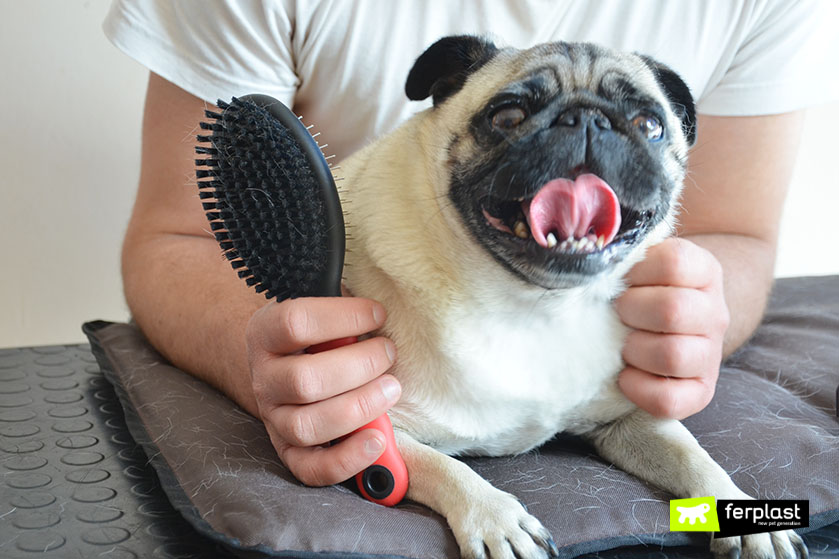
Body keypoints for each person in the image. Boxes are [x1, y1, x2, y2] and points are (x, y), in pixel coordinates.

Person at [104, 0, 836, 488]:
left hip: (605, 391)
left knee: (772, 512)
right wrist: (268, 360)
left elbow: (732, 232)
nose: (584, 138)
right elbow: (178, 233)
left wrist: (697, 324)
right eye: (513, 115)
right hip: (378, 386)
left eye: (637, 125)